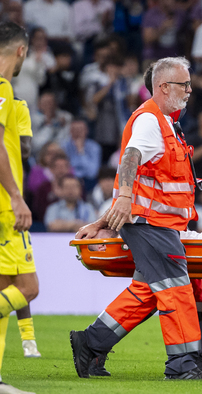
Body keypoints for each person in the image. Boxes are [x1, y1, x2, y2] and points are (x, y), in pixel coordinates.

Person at [70, 57, 202, 380]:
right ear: (164, 87)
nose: (190, 90)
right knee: (176, 286)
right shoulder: (150, 120)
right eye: (184, 84)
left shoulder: (166, 122)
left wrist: (105, 219)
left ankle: (91, 343)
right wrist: (123, 200)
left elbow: (141, 182)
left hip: (157, 222)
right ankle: (183, 364)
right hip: (150, 223)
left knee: (148, 290)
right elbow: (130, 158)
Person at [0, 21, 39, 394]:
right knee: (28, 287)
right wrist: (15, 194)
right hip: (3, 206)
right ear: (21, 50)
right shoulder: (2, 87)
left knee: (4, 286)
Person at [14, 96, 41, 360]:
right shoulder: (16, 104)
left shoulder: (15, 103)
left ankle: (29, 341)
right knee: (25, 282)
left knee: (12, 279)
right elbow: (24, 150)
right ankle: (28, 341)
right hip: (9, 206)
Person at [62, 119, 102, 190]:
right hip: (70, 180)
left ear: (87, 131)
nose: (77, 133)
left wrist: (81, 152)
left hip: (89, 182)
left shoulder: (94, 147)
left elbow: (93, 172)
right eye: (75, 130)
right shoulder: (64, 147)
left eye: (80, 130)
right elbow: (65, 170)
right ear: (70, 131)